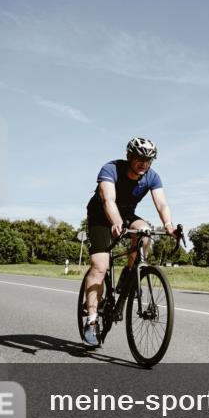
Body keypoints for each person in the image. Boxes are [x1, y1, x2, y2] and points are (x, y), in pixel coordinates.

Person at [81, 137, 179, 347]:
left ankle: (129, 273)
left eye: (148, 160)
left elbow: (161, 203)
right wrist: (116, 223)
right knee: (100, 266)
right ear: (129, 157)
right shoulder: (111, 169)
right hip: (101, 216)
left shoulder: (152, 176)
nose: (144, 163)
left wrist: (169, 224)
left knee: (145, 233)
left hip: (126, 214)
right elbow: (108, 200)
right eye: (139, 159)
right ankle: (91, 321)